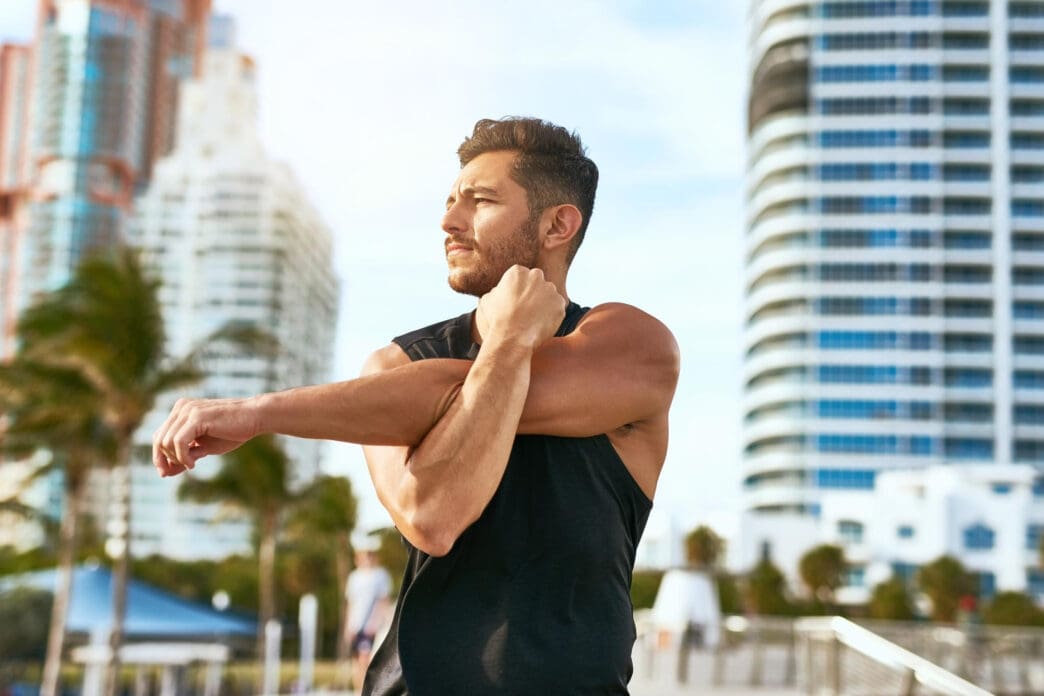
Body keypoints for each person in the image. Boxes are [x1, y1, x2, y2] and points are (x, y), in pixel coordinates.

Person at [153, 116, 680, 695]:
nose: (449, 222)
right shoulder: (394, 367)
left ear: (558, 224)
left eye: (479, 201)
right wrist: (507, 344)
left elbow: (446, 394)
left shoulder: (632, 345)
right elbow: (433, 515)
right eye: (451, 201)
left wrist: (259, 413)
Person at [344, 542, 392, 691]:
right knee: (356, 663)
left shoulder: (380, 575)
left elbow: (384, 601)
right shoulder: (354, 577)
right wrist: (348, 626)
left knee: (366, 661)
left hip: (371, 626)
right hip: (356, 625)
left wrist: (376, 622)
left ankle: (366, 691)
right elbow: (351, 603)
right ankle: (358, 691)